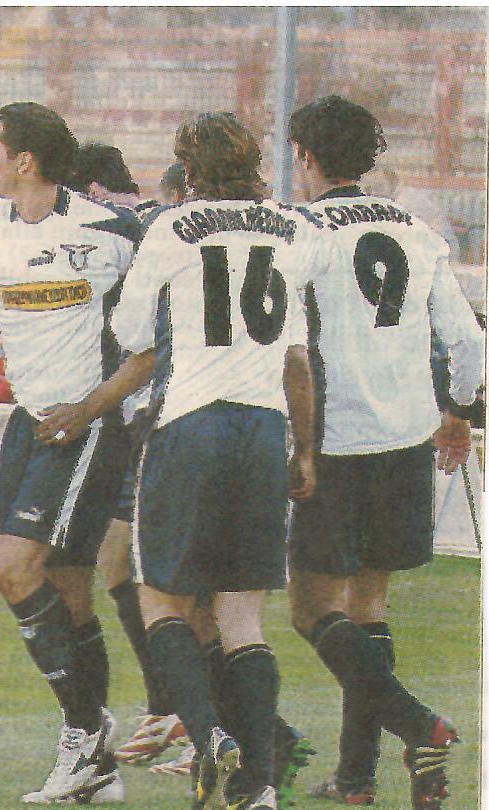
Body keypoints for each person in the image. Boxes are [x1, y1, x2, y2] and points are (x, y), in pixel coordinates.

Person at [36, 112, 326, 810]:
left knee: (160, 598)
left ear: (188, 169)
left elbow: (132, 333)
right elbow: (297, 360)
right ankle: (258, 786)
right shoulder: (293, 231)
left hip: (189, 426)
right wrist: (306, 449)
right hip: (264, 429)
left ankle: (208, 732)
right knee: (243, 619)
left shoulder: (171, 228)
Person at [0, 102, 140, 804]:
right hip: (28, 423)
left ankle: (86, 732)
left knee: (11, 568)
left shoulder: (110, 231)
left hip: (84, 425)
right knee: (68, 588)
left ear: (25, 160)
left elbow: (149, 336)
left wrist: (93, 407)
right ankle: (96, 764)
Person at [286, 95, 483, 810]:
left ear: (306, 156)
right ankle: (356, 779)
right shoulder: (417, 231)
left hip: (335, 440)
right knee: (367, 606)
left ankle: (418, 725)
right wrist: (457, 415)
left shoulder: (304, 233)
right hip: (405, 439)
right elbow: (468, 341)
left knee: (312, 610)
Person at [68, 145, 191, 770]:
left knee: (178, 579)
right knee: (118, 561)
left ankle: (216, 721)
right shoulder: (138, 228)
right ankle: (171, 707)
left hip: (171, 417)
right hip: (140, 420)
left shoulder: (143, 230)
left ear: (90, 190)